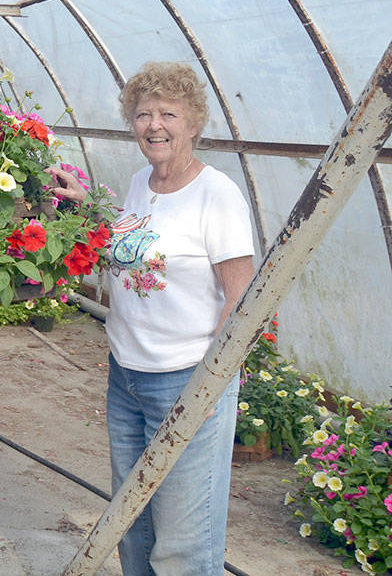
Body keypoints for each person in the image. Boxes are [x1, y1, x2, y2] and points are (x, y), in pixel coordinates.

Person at [49, 61, 255, 575]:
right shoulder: (142, 182)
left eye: (168, 113)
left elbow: (242, 296)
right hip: (127, 379)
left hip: (186, 381)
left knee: (184, 544)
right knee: (132, 527)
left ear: (193, 123)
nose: (154, 125)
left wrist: (211, 382)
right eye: (143, 114)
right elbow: (134, 249)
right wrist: (87, 209)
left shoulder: (217, 195)